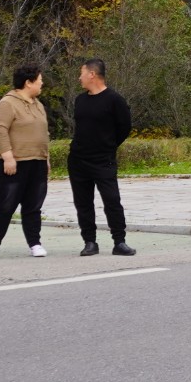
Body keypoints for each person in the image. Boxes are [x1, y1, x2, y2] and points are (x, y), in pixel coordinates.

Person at [0, 65, 50, 260]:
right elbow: (0, 130)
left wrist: (46, 159)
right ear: (28, 83)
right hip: (13, 163)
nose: (42, 84)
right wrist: (8, 157)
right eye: (39, 80)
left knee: (33, 206)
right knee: (5, 206)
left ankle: (35, 243)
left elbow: (44, 134)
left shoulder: (38, 104)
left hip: (36, 162)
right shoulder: (7, 103)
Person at [69, 59, 134, 257]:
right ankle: (90, 242)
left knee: (112, 200)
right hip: (78, 160)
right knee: (83, 203)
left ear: (92, 74)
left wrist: (109, 146)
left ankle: (119, 242)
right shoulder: (80, 100)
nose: (79, 77)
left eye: (82, 73)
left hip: (103, 160)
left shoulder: (114, 100)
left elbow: (125, 127)